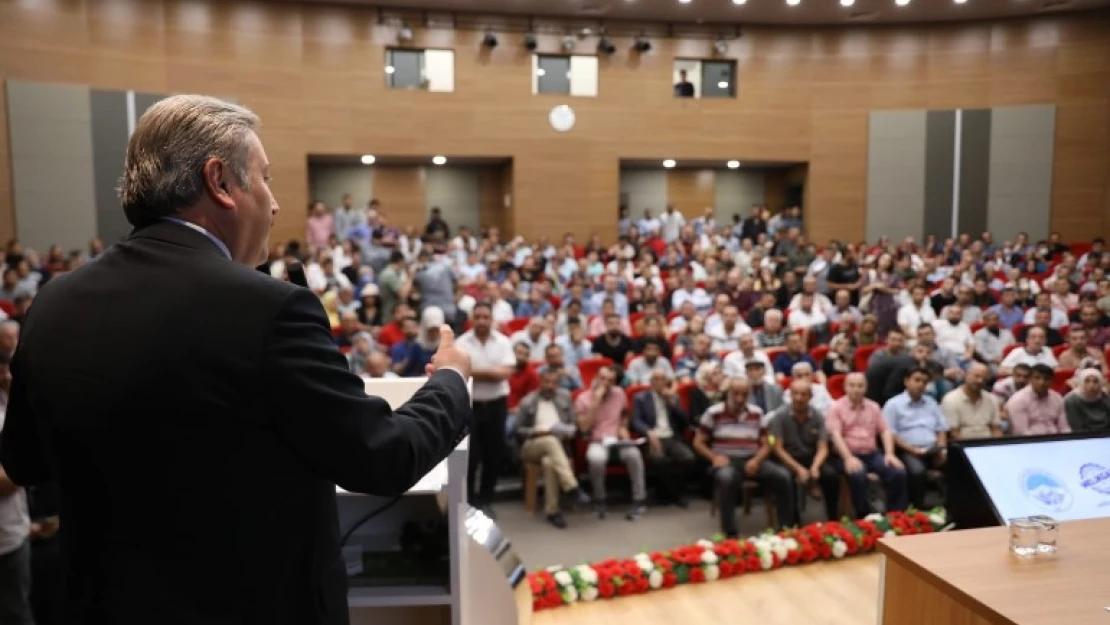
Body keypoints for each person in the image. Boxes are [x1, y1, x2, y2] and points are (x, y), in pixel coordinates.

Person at [0, 96, 473, 625]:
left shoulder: (53, 303)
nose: (273, 204)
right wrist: (452, 379)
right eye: (265, 179)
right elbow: (384, 457)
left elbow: (25, 461)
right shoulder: (268, 311)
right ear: (220, 181)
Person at [694, 377, 793, 537]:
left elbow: (768, 442)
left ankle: (786, 528)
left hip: (753, 459)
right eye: (736, 394)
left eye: (744, 394)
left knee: (783, 476)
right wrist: (714, 457)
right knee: (726, 479)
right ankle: (730, 533)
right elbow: (698, 442)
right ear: (728, 393)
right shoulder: (714, 413)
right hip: (727, 461)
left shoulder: (757, 412)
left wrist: (757, 460)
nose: (740, 398)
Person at [457, 301, 515, 516]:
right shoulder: (461, 342)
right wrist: (490, 373)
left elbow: (504, 373)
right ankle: (469, 502)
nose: (481, 321)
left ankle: (486, 500)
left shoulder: (503, 342)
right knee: (470, 457)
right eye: (478, 316)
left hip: (496, 405)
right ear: (472, 319)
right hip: (470, 406)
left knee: (493, 456)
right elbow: (460, 372)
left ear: (491, 319)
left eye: (485, 317)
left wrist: (475, 371)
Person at [515, 369, 591, 529]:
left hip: (559, 446)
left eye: (553, 383)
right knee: (549, 440)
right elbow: (518, 430)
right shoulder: (528, 401)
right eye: (546, 382)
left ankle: (552, 511)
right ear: (539, 382)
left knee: (549, 462)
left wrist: (566, 432)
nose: (549, 386)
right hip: (532, 446)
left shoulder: (565, 398)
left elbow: (572, 424)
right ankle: (572, 487)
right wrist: (537, 431)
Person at [825, 373, 907, 517]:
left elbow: (885, 431)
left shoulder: (873, 407)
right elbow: (835, 436)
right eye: (852, 385)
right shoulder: (836, 408)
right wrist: (848, 458)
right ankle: (863, 516)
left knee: (897, 471)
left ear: (866, 388)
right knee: (857, 474)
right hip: (846, 454)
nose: (856, 389)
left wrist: (889, 453)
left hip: (872, 454)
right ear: (845, 387)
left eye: (860, 385)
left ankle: (895, 515)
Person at [575, 365, 648, 521]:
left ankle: (639, 500)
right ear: (595, 378)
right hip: (597, 440)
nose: (606, 383)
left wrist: (623, 427)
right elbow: (583, 427)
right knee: (596, 458)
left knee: (634, 454)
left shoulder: (619, 393)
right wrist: (596, 401)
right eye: (602, 379)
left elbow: (624, 414)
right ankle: (600, 499)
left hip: (617, 439)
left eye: (610, 380)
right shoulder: (583, 398)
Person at [766, 379, 840, 523]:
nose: (799, 398)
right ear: (790, 395)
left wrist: (815, 467)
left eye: (803, 394)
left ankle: (833, 520)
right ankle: (792, 523)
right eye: (796, 394)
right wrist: (798, 469)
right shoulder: (779, 416)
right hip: (788, 458)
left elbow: (823, 447)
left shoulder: (818, 416)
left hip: (811, 458)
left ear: (810, 396)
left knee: (831, 475)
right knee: (786, 478)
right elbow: (778, 449)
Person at [884, 367, 949, 509]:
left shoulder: (931, 402)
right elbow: (890, 433)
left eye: (924, 382)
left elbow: (941, 429)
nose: (920, 384)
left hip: (932, 449)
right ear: (906, 381)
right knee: (917, 471)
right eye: (917, 380)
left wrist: (942, 449)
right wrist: (913, 450)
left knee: (959, 464)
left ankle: (951, 510)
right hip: (907, 450)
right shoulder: (893, 404)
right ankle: (917, 509)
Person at [630, 369, 696, 507]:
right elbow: (635, 421)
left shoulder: (674, 397)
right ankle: (677, 495)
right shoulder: (641, 397)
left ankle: (668, 493)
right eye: (657, 379)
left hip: (672, 437)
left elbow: (685, 422)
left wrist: (671, 402)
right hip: (653, 438)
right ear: (651, 382)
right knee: (658, 459)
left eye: (663, 379)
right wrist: (648, 432)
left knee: (688, 458)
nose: (660, 383)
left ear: (667, 382)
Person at [940, 363, 1003, 440]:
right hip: (964, 444)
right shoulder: (950, 399)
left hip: (988, 444)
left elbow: (995, 428)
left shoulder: (992, 399)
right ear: (966, 375)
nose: (980, 381)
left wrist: (996, 444)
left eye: (984, 378)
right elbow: (954, 432)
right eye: (977, 376)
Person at [1006, 364, 1069, 436]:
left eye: (1046, 379)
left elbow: (1064, 428)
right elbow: (1022, 432)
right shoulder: (1018, 400)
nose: (1042, 382)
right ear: (1030, 379)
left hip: (1055, 440)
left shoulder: (1057, 398)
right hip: (1030, 442)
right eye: (1037, 378)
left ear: (1052, 380)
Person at [1064, 368, 1110, 433]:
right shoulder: (1072, 400)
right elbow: (1077, 428)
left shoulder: (1104, 396)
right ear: (1081, 383)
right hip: (1084, 437)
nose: (1091, 385)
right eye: (1087, 381)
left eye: (1095, 381)